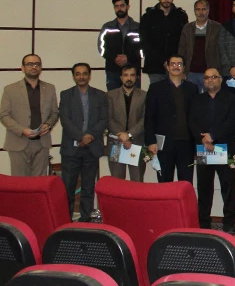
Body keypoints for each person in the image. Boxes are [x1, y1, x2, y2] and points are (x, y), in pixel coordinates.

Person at [188, 68, 235, 232]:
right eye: (207, 78)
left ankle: (229, 223)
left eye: (214, 77)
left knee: (228, 187)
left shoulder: (231, 98)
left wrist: (213, 137)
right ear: (204, 81)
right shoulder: (197, 100)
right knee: (204, 187)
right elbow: (192, 122)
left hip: (225, 148)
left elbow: (231, 122)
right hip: (204, 148)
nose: (210, 80)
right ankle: (203, 223)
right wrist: (203, 139)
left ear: (220, 80)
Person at [59, 63, 107, 222]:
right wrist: (80, 137)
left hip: (91, 149)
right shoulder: (66, 95)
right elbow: (65, 120)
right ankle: (66, 220)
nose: (81, 77)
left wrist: (90, 136)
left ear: (89, 75)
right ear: (74, 76)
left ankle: (85, 220)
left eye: (84, 73)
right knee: (67, 188)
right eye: (78, 74)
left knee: (88, 187)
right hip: (71, 149)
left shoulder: (100, 95)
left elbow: (104, 119)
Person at [0, 54, 58, 176]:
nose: (34, 67)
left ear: (41, 67)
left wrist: (48, 124)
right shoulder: (10, 89)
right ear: (22, 68)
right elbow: (4, 115)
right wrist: (22, 130)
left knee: (39, 183)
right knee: (20, 183)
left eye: (37, 64)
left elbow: (54, 113)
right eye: (29, 64)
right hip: (18, 142)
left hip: (41, 142)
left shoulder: (50, 88)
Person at [145, 55, 199, 182]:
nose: (176, 67)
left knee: (186, 183)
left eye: (179, 64)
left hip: (186, 144)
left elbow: (196, 116)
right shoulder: (155, 88)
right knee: (164, 183)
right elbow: (149, 117)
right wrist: (151, 141)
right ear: (167, 67)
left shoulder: (192, 88)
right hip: (164, 145)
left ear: (184, 68)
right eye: (173, 64)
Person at [140, 0, 188, 84]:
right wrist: (163, 61)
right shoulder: (148, 16)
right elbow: (145, 42)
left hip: (176, 65)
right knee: (157, 92)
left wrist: (176, 62)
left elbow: (185, 42)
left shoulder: (181, 16)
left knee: (176, 92)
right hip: (155, 65)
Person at [106, 65, 146, 181]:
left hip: (136, 142)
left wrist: (129, 135)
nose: (129, 78)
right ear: (121, 77)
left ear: (137, 77)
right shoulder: (110, 95)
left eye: (132, 75)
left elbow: (145, 119)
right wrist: (122, 136)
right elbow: (108, 119)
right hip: (116, 143)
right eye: (125, 75)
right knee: (117, 182)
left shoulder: (144, 95)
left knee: (137, 181)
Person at [97, 0, 142, 90]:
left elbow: (143, 48)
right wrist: (115, 58)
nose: (119, 9)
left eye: (122, 5)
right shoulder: (107, 27)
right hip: (113, 71)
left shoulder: (138, 28)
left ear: (128, 7)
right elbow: (101, 48)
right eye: (116, 6)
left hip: (133, 71)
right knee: (113, 98)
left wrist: (128, 58)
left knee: (134, 98)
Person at [177, 0, 223, 91]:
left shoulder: (217, 27)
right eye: (198, 9)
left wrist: (219, 71)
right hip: (191, 73)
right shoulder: (187, 28)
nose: (201, 12)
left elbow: (221, 50)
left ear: (208, 10)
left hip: (211, 73)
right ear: (194, 11)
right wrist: (182, 70)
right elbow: (182, 50)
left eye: (204, 9)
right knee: (191, 98)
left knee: (210, 98)